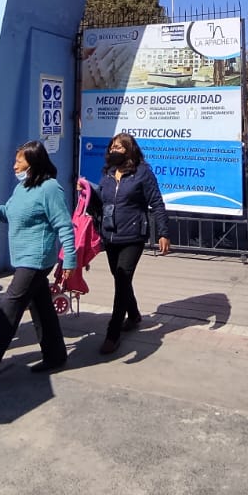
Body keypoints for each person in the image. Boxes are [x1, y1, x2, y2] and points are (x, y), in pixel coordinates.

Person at [0, 141, 77, 387]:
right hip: (23, 258)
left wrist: (70, 260)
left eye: (19, 162)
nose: (14, 166)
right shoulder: (22, 187)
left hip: (36, 259)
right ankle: (55, 355)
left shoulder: (50, 188)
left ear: (33, 163)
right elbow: (8, 214)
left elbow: (64, 225)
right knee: (41, 307)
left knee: (8, 309)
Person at [96, 132, 170, 354]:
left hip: (133, 236)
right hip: (110, 235)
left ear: (129, 150)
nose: (114, 151)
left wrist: (163, 233)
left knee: (122, 279)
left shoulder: (142, 173)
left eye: (119, 147)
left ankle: (113, 332)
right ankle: (135, 314)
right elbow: (101, 201)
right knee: (120, 278)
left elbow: (156, 202)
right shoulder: (108, 173)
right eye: (112, 147)